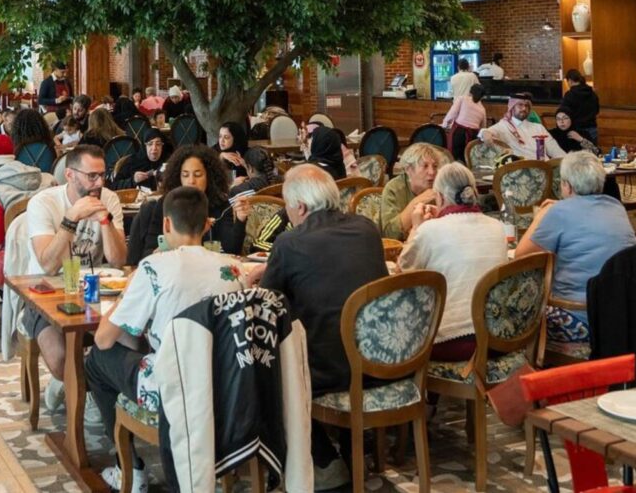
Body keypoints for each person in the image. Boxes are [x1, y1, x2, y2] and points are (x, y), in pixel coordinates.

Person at [86, 187, 247, 491]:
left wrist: (126, 293)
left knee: (96, 360)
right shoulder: (233, 268)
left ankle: (129, 468)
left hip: (171, 387)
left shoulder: (154, 268)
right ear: (207, 225)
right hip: (226, 383)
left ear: (166, 224)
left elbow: (104, 340)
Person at [250, 164, 387, 488]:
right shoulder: (367, 229)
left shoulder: (289, 243)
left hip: (330, 372)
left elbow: (267, 305)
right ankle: (352, 447)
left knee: (264, 363)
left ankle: (323, 458)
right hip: (383, 361)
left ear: (299, 207)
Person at [23, 145, 128, 405]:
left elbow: (118, 261)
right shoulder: (44, 203)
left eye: (102, 175)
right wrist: (71, 219)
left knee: (132, 343)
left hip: (97, 292)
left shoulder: (109, 199)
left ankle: (88, 388)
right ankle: (73, 381)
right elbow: (48, 265)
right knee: (61, 359)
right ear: (70, 175)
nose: (99, 183)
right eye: (92, 176)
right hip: (44, 294)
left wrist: (105, 221)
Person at [515, 151, 636, 343]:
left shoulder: (558, 213)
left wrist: (541, 216)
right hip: (623, 315)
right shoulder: (615, 206)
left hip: (580, 318)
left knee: (515, 315)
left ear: (568, 186)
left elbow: (520, 256)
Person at [398, 163, 508, 360]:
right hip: (498, 336)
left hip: (454, 341)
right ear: (473, 193)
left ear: (440, 197)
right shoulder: (498, 227)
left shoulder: (429, 231)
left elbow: (402, 272)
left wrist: (416, 228)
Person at [127, 144, 249, 264]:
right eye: (185, 175)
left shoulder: (219, 203)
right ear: (178, 177)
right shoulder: (166, 203)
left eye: (198, 175)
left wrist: (240, 220)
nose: (191, 181)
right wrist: (167, 245)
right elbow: (148, 253)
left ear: (209, 176)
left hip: (208, 268)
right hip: (172, 267)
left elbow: (231, 249)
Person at [380, 142, 451, 241]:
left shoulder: (440, 187)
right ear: (408, 169)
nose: (432, 172)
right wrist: (418, 201)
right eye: (425, 166)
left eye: (435, 166)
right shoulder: (394, 188)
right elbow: (390, 234)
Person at [480, 93, 565, 160]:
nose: (524, 108)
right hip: (520, 168)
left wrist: (566, 160)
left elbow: (554, 149)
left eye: (526, 106)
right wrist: (485, 133)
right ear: (512, 107)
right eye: (520, 105)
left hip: (544, 168)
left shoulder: (538, 127)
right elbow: (486, 132)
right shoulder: (504, 126)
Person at [442, 83, 487, 160]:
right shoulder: (482, 109)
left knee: (453, 158)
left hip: (458, 132)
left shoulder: (462, 99)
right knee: (467, 160)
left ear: (470, 92)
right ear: (482, 97)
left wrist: (444, 125)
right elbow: (483, 127)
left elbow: (452, 114)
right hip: (473, 136)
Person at [560, 69, 599, 144]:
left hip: (576, 131)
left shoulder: (569, 95)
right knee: (592, 150)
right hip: (592, 129)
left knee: (577, 151)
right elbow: (597, 111)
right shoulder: (592, 93)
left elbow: (564, 113)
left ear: (570, 80)